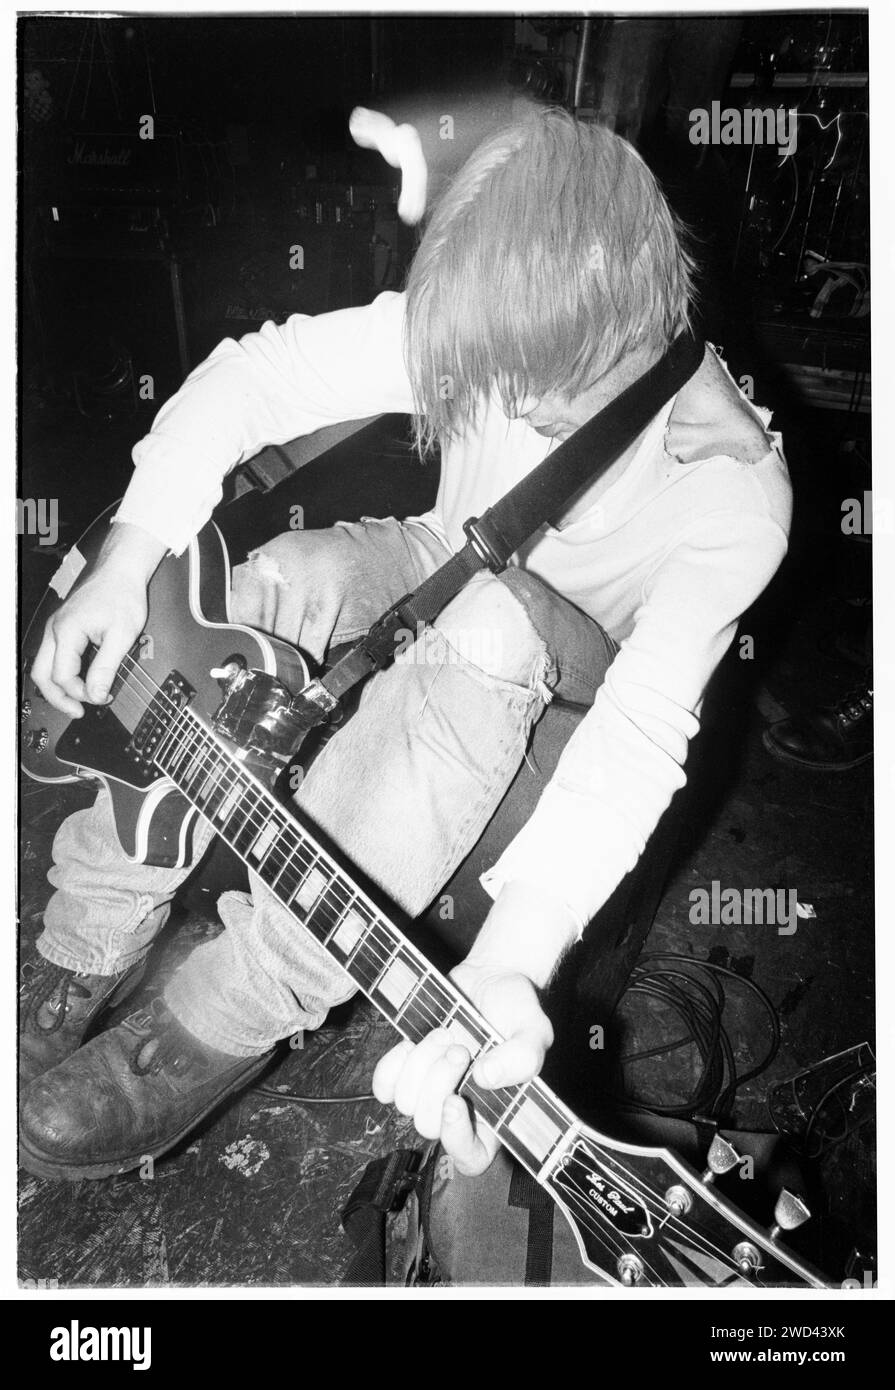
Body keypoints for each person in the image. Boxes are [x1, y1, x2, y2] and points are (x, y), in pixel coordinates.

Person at [20, 108, 791, 1184]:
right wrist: (124, 557)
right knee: (283, 581)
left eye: (530, 382)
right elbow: (256, 378)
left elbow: (636, 734)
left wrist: (517, 959)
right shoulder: (497, 317)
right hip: (448, 561)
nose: (499, 399)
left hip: (562, 691)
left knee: (489, 624)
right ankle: (88, 935)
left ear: (627, 316)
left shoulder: (734, 492)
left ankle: (226, 1010)